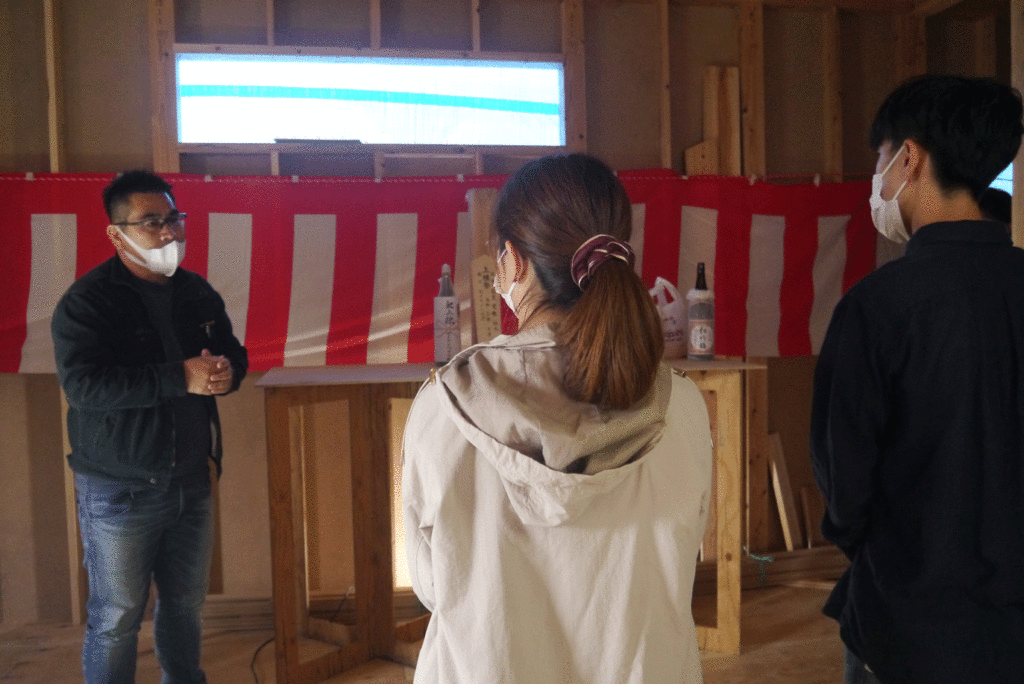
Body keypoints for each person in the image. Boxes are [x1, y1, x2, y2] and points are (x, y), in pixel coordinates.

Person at [401, 154, 713, 683]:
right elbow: (683, 562)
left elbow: (432, 584)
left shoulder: (443, 407)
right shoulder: (680, 406)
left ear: (514, 263)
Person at [810, 75, 1024, 684]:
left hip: (906, 626)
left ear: (909, 158)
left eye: (880, 159)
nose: (878, 182)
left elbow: (843, 484)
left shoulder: (877, 307)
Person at [51, 170, 248, 684]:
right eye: (151, 222)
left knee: (184, 606)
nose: (169, 232)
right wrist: (179, 377)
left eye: (174, 218)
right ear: (116, 234)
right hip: (120, 488)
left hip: (193, 479)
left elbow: (233, 353)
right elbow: (85, 387)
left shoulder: (196, 292)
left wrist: (229, 373)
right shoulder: (87, 301)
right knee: (116, 618)